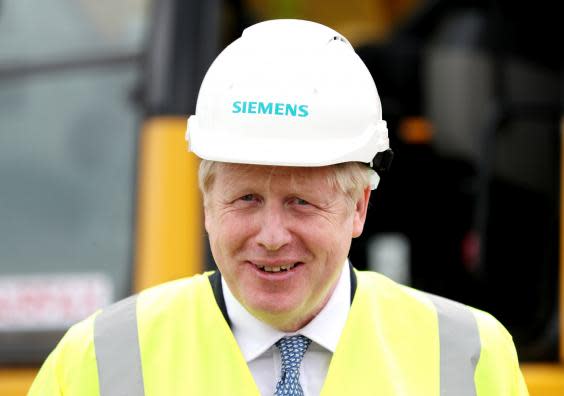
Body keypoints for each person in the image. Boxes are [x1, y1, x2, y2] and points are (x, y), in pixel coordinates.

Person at [29, 19, 528, 395]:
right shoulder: (92, 363)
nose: (271, 235)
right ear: (207, 203)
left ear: (358, 208)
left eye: (301, 203)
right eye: (246, 198)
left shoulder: (471, 357)